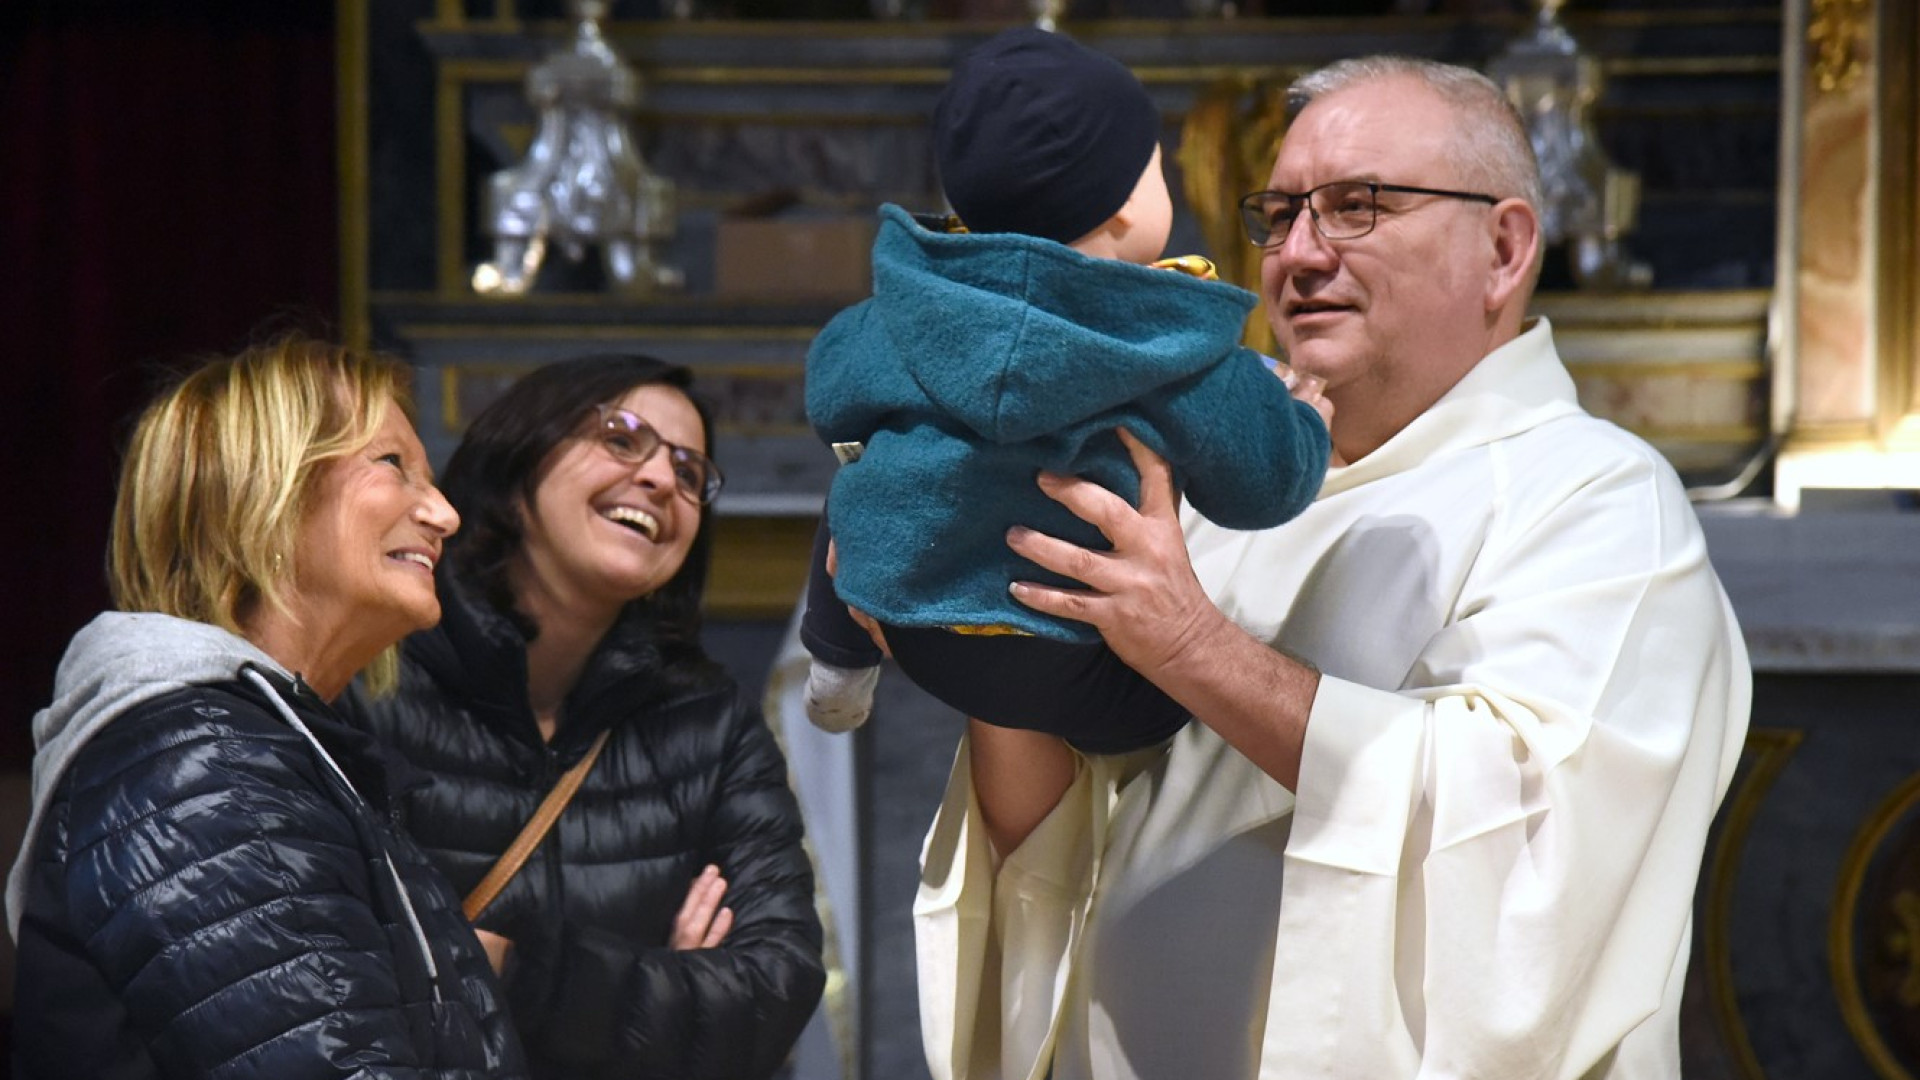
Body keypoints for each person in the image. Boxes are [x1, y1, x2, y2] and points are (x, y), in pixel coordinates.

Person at [912, 55, 1753, 1080]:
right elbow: (1066, 827)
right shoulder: (1224, 490)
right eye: (1280, 214)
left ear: (1503, 246)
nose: (1299, 255)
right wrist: (982, 634)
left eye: (1358, 207)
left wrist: (1189, 644)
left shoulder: (1597, 499)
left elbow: (1526, 842)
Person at [6, 336, 527, 1078]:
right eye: (393, 466)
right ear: (265, 495)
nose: (443, 513)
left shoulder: (257, 752)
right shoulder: (201, 765)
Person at [800, 26, 1331, 750]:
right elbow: (1264, 488)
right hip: (1071, 655)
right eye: (1156, 166)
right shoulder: (1168, 342)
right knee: (1175, 714)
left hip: (908, 623)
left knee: (856, 474)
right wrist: (1303, 423)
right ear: (1121, 206)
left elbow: (832, 399)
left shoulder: (901, 312)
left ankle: (835, 658)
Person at [348, 354, 826, 1080]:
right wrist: (661, 997)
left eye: (691, 474)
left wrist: (515, 967)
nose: (663, 480)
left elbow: (774, 991)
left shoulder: (709, 724)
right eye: (623, 438)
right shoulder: (372, 673)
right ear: (518, 467)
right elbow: (338, 970)